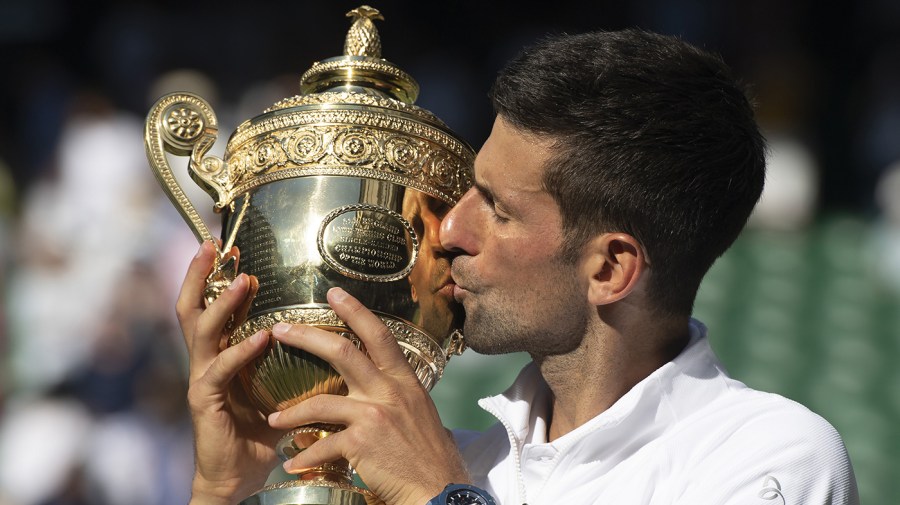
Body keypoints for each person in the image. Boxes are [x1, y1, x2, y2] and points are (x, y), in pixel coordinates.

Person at [177, 29, 859, 505]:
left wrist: (440, 497)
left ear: (611, 269)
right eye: (470, 188)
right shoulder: (439, 462)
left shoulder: (770, 455)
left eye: (498, 209)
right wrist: (227, 487)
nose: (451, 229)